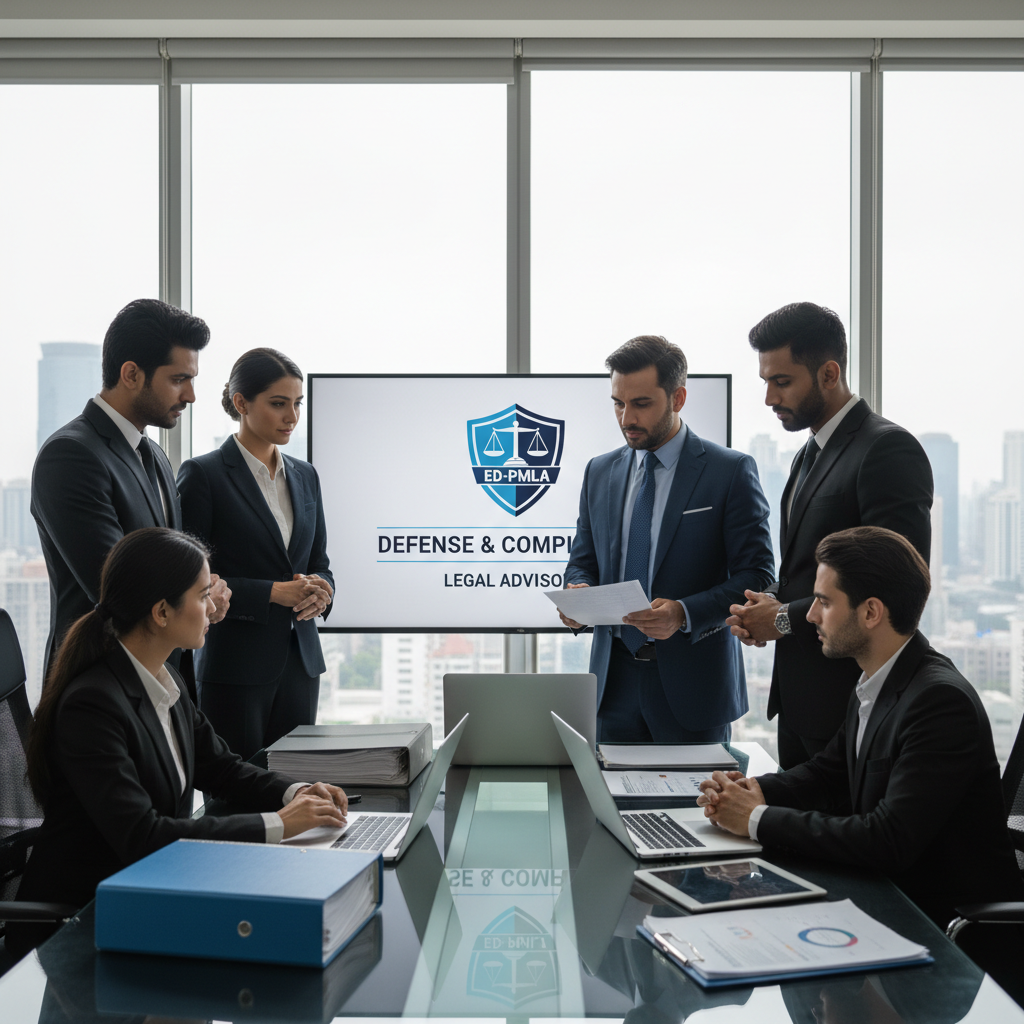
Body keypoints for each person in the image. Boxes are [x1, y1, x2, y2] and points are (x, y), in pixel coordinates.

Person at [10, 528, 348, 959]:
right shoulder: (92, 706)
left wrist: (296, 792)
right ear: (162, 613)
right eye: (203, 595)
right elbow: (144, 837)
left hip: (149, 899)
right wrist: (281, 825)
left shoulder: (164, 680)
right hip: (83, 927)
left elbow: (222, 768)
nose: (213, 607)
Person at [698, 526, 1024, 932]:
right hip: (885, 904)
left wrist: (755, 818)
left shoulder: (940, 703)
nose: (810, 615)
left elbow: (887, 840)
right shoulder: (878, 677)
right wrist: (754, 792)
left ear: (871, 612)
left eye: (823, 602)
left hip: (947, 931)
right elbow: (829, 773)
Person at [727, 302, 932, 768]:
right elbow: (811, 576)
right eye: (766, 382)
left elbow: (893, 585)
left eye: (782, 382)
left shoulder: (886, 449)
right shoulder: (807, 454)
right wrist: (765, 607)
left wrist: (781, 620)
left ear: (829, 373)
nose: (769, 398)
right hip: (799, 706)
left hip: (849, 705)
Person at [559, 335, 775, 743]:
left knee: (696, 808)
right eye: (618, 403)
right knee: (610, 806)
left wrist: (683, 613)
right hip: (612, 684)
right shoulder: (599, 472)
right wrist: (580, 592)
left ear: (678, 398)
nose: (626, 418)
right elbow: (582, 558)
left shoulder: (729, 471)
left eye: (641, 404)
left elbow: (758, 574)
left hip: (695, 688)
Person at [31, 298, 231, 685]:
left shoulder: (152, 452)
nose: (190, 395)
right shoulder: (70, 455)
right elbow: (116, 589)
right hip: (101, 688)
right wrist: (204, 599)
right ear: (131, 374)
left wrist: (201, 592)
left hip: (161, 681)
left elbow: (171, 566)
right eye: (178, 379)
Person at [177, 348, 334, 760]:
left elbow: (318, 563)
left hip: (301, 663)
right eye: (278, 404)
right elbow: (189, 580)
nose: (292, 416)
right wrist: (271, 592)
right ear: (241, 402)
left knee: (295, 789)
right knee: (236, 798)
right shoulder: (204, 475)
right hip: (235, 667)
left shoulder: (306, 475)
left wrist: (322, 591)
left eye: (297, 403)